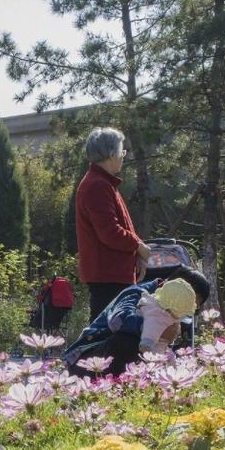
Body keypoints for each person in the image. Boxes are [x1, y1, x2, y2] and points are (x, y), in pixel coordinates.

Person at [64, 266, 211, 377]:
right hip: (86, 359)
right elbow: (118, 321)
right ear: (174, 287)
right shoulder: (138, 293)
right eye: (185, 302)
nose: (181, 311)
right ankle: (117, 386)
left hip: (115, 359)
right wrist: (151, 328)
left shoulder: (171, 311)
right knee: (127, 341)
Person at [76, 127, 151, 321]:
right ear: (111, 154)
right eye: (122, 151)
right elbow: (110, 232)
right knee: (107, 334)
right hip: (108, 276)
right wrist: (139, 246)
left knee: (113, 332)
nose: (123, 156)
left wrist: (137, 256)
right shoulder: (98, 186)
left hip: (112, 274)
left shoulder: (103, 183)